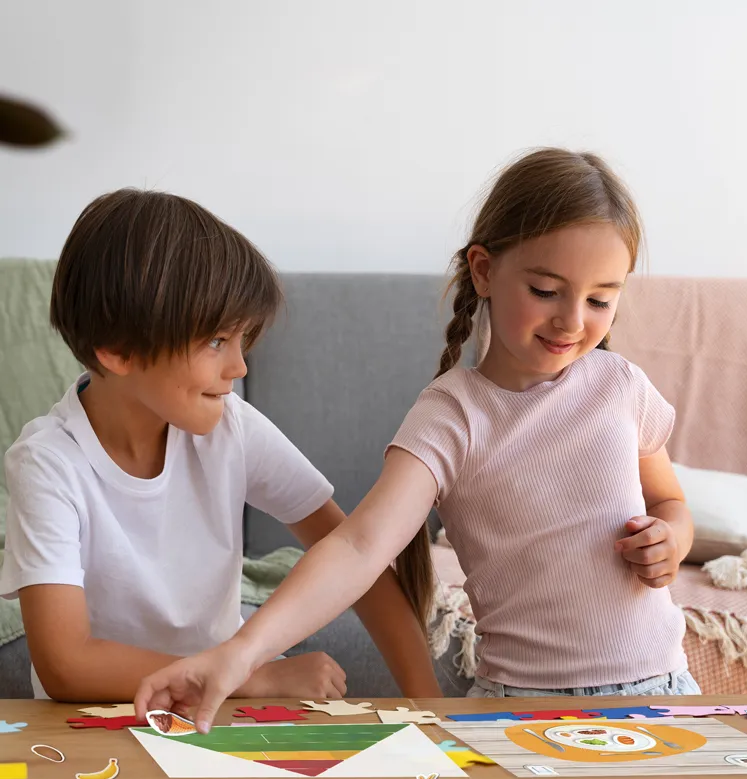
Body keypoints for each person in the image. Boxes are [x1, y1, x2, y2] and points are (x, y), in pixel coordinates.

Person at [135, 148, 699, 732]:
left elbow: (670, 504)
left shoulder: (621, 386)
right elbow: (358, 548)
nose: (573, 321)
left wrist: (672, 540)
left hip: (663, 688)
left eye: (600, 299)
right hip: (519, 706)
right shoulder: (451, 415)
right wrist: (242, 651)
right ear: (483, 270)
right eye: (546, 290)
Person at [0, 188, 439, 701]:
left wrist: (426, 700)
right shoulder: (49, 463)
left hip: (217, 712)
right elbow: (66, 663)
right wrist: (253, 677)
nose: (240, 367)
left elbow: (354, 551)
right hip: (96, 726)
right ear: (117, 350)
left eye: (241, 341)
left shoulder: (233, 428)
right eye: (215, 342)